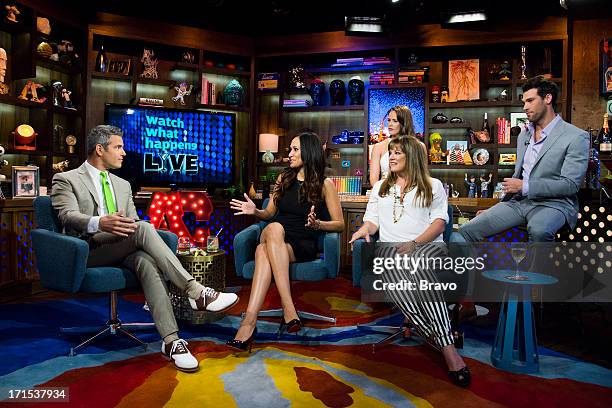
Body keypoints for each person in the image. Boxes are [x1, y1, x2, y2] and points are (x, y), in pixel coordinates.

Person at [51, 125, 239, 373]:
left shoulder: (123, 184)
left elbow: (131, 224)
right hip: (88, 250)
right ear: (99, 149)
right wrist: (99, 222)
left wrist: (125, 227)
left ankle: (172, 342)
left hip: (121, 247)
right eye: (118, 147)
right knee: (143, 228)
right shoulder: (66, 179)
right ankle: (196, 292)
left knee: (146, 260)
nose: (124, 153)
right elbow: (66, 216)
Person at [350, 135, 470, 387]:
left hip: (427, 247)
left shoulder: (432, 185)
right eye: (390, 152)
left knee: (417, 267)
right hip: (391, 252)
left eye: (396, 153)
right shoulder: (380, 187)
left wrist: (415, 245)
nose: (390, 157)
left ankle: (447, 348)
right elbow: (372, 221)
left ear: (411, 157)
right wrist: (365, 230)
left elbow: (439, 224)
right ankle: (444, 336)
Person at [228, 130, 344, 351]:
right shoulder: (283, 177)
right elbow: (270, 213)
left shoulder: (325, 184)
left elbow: (340, 224)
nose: (289, 154)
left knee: (262, 252)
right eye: (290, 149)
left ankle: (248, 323)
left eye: (295, 149)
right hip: (275, 233)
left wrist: (319, 224)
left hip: (301, 243)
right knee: (274, 227)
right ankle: (288, 307)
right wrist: (255, 211)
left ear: (308, 153)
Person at [458, 76, 590, 243]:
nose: (525, 107)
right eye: (524, 102)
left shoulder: (575, 137)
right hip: (519, 203)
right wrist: (495, 210)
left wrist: (525, 186)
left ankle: (539, 270)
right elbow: (519, 177)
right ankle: (475, 270)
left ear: (548, 98)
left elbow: (570, 185)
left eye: (530, 101)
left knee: (539, 231)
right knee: (466, 230)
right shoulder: (523, 135)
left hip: (553, 204)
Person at [369, 105, 416, 186]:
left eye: (395, 121)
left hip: (411, 193)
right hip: (385, 192)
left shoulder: (418, 147)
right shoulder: (379, 147)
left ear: (404, 122)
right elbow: (373, 180)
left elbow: (422, 176)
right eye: (389, 120)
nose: (390, 124)